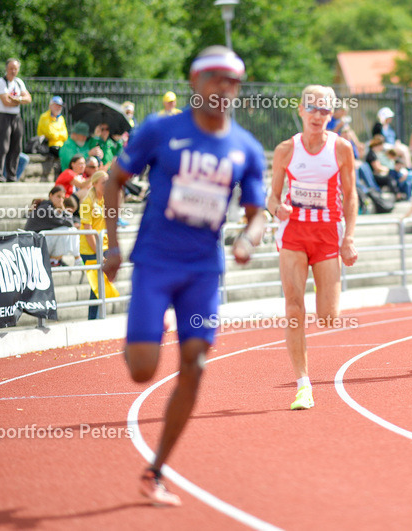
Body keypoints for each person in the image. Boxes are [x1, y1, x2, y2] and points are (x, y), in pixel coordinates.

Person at [102, 45, 268, 507]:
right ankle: (142, 334)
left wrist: (248, 239)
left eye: (233, 81)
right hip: (155, 262)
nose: (224, 88)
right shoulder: (160, 130)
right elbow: (113, 180)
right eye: (215, 78)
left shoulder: (246, 148)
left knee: (195, 364)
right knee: (142, 371)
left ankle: (155, 470)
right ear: (195, 82)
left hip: (202, 271)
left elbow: (258, 212)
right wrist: (112, 244)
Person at [269, 85, 358, 410]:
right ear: (301, 110)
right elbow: (272, 196)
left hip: (328, 235)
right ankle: (303, 385)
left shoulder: (341, 148)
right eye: (313, 108)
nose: (318, 115)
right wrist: (276, 208)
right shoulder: (285, 150)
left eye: (325, 109)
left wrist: (349, 238)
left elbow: (351, 195)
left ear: (331, 114)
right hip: (293, 234)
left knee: (329, 318)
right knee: (294, 308)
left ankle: (326, 292)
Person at [0, 58, 32, 182]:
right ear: (6, 69)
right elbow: (6, 102)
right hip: (3, 116)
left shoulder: (19, 82)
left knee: (16, 147)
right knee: (1, 147)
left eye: (15, 69)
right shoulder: (1, 82)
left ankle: (12, 175)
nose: (13, 71)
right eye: (11, 68)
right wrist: (20, 100)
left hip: (16, 117)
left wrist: (16, 99)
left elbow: (28, 98)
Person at [80, 170, 112, 319]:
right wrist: (98, 252)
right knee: (96, 287)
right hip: (90, 248)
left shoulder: (105, 200)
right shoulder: (87, 203)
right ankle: (93, 319)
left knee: (101, 286)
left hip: (104, 246)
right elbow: (88, 232)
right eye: (104, 183)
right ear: (94, 184)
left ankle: (98, 317)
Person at [24, 185, 79, 266]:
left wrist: (62, 209)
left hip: (38, 243)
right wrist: (63, 209)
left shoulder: (50, 207)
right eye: (58, 196)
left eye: (63, 198)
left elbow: (70, 222)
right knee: (65, 230)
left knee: (73, 231)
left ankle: (76, 259)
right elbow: (69, 223)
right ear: (51, 195)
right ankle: (54, 260)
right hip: (33, 246)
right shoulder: (46, 208)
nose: (61, 200)